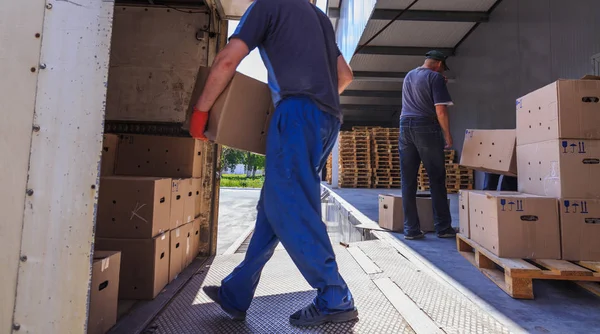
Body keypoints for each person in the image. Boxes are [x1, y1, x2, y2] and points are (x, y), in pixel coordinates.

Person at [187, 0, 357, 327]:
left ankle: (334, 295)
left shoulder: (266, 6)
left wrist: (201, 111)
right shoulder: (319, 18)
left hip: (296, 116)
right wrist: (317, 104)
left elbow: (227, 61)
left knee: (290, 205)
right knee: (273, 207)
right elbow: (345, 75)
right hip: (328, 118)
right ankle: (237, 292)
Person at [399, 50, 457, 240]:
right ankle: (443, 228)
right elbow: (440, 110)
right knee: (436, 178)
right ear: (439, 64)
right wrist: (448, 135)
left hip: (404, 126)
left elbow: (419, 95)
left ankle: (411, 229)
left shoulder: (409, 75)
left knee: (408, 180)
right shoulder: (435, 78)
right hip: (425, 126)